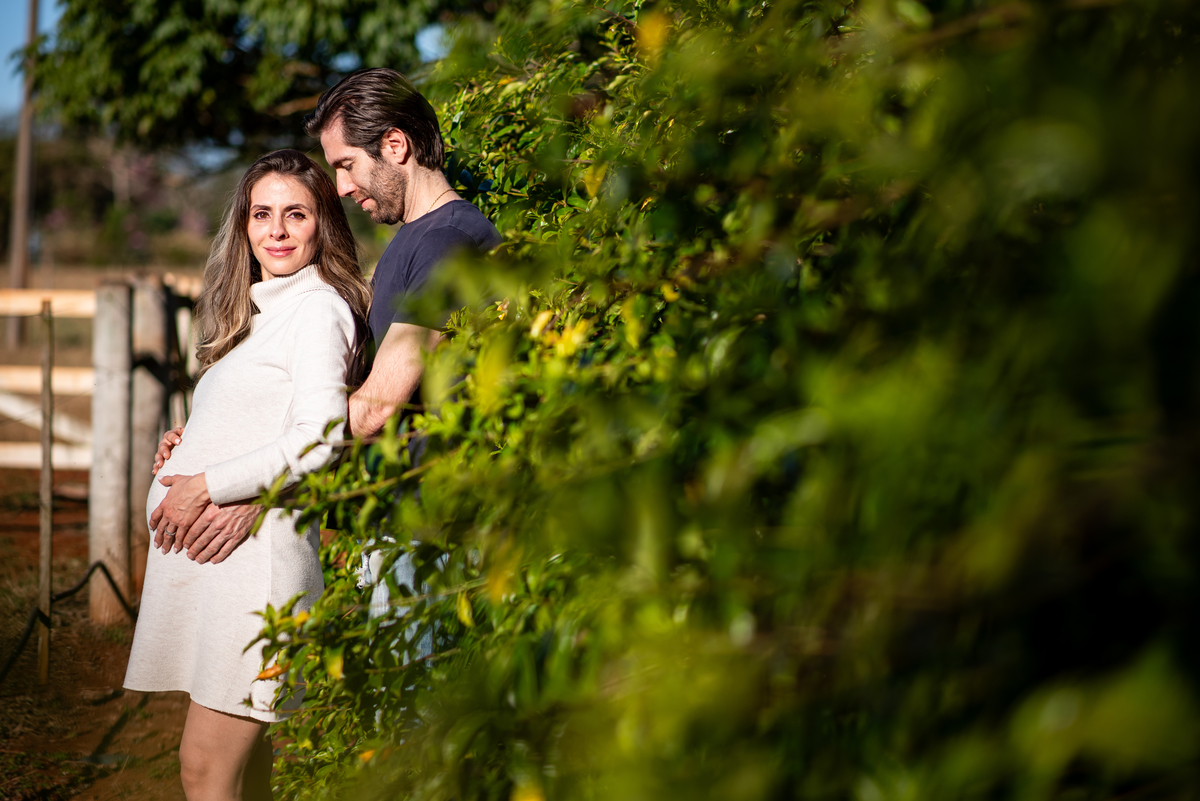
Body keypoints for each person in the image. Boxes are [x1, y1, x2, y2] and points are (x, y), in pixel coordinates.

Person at [154, 68, 502, 619]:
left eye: (346, 165)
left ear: (395, 145)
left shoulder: (448, 243)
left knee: (415, 706)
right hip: (402, 529)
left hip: (432, 532)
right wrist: (218, 439)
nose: (341, 187)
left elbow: (374, 408)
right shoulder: (414, 243)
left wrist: (254, 483)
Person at [127, 149, 371, 801]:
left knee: (205, 769)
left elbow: (320, 438)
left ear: (324, 223)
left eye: (297, 213)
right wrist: (189, 446)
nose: (278, 230)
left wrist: (204, 483)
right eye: (262, 214)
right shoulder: (261, 313)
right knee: (244, 773)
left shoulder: (319, 308)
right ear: (242, 225)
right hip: (224, 574)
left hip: (253, 573)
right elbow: (264, 420)